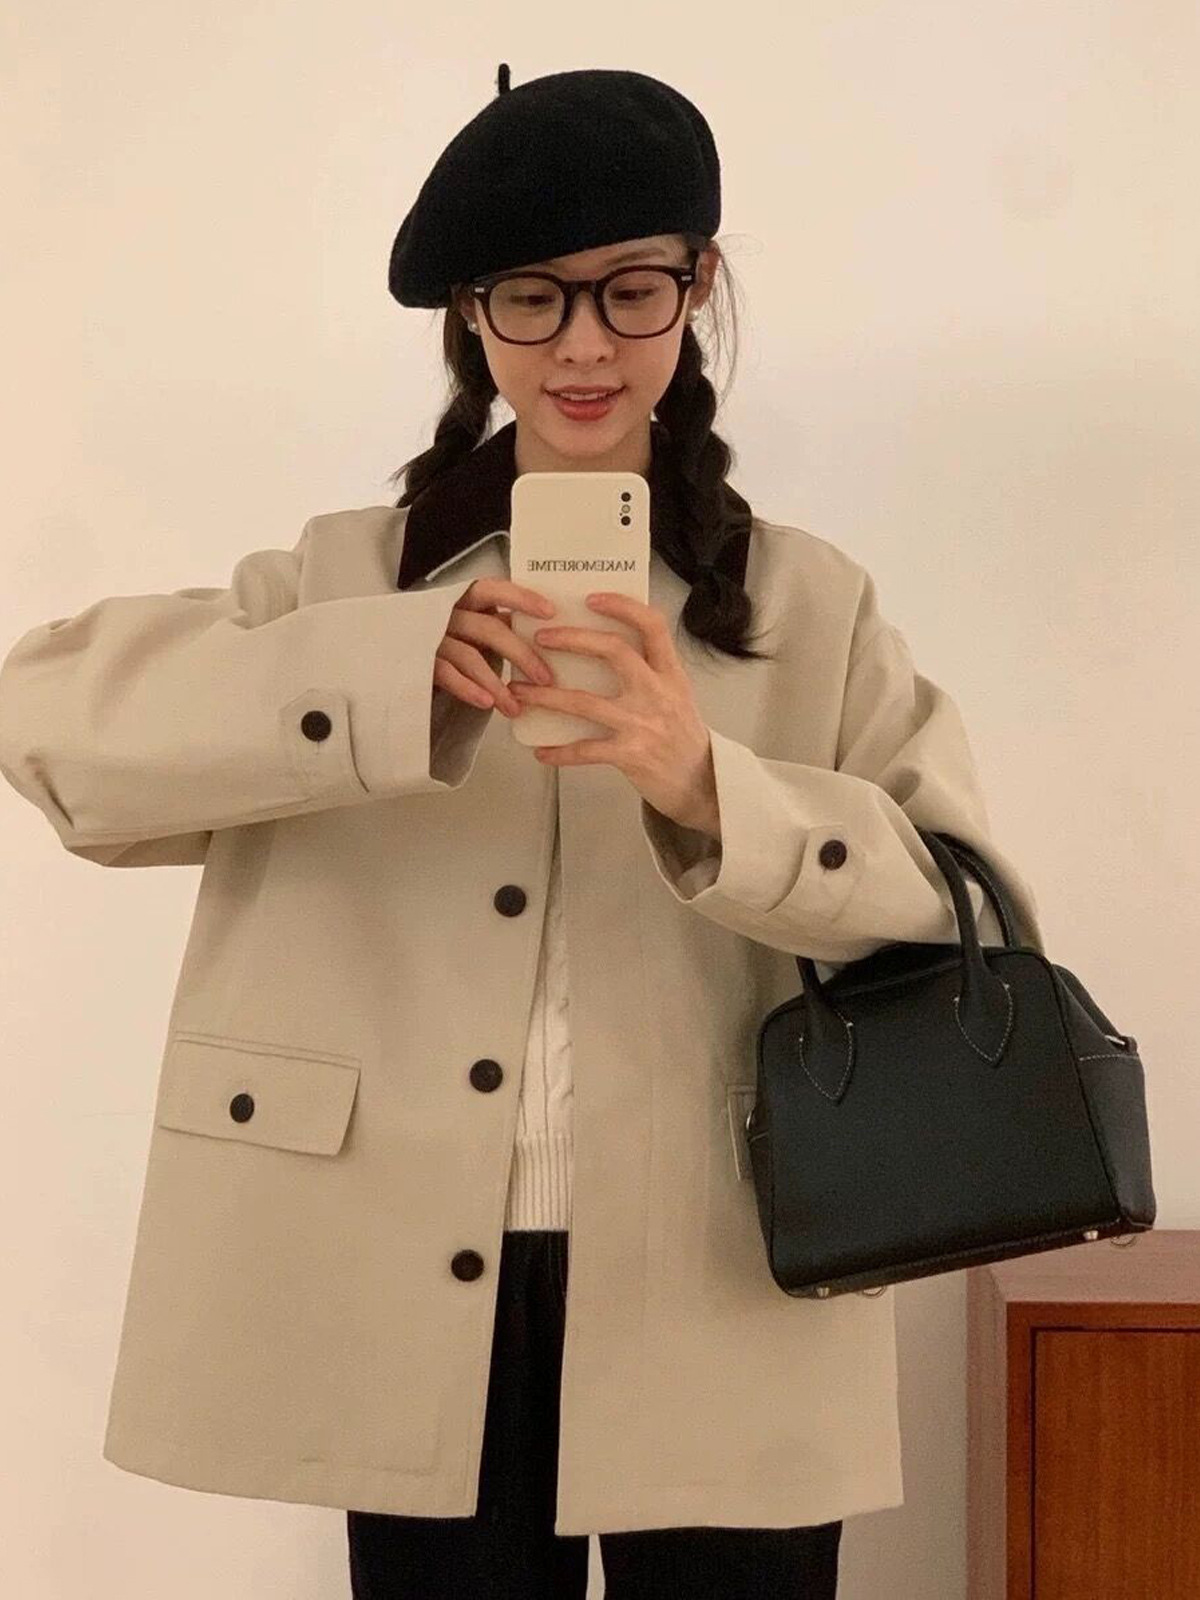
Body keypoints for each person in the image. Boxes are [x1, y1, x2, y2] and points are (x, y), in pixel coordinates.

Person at [0, 61, 1043, 1600]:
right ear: (470, 317)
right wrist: (380, 672)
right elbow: (47, 722)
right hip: (405, 1273)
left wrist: (712, 789)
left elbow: (966, 905)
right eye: (533, 299)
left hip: (729, 1265)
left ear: (698, 288)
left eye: (631, 290)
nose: (585, 345)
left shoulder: (808, 603)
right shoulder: (345, 581)